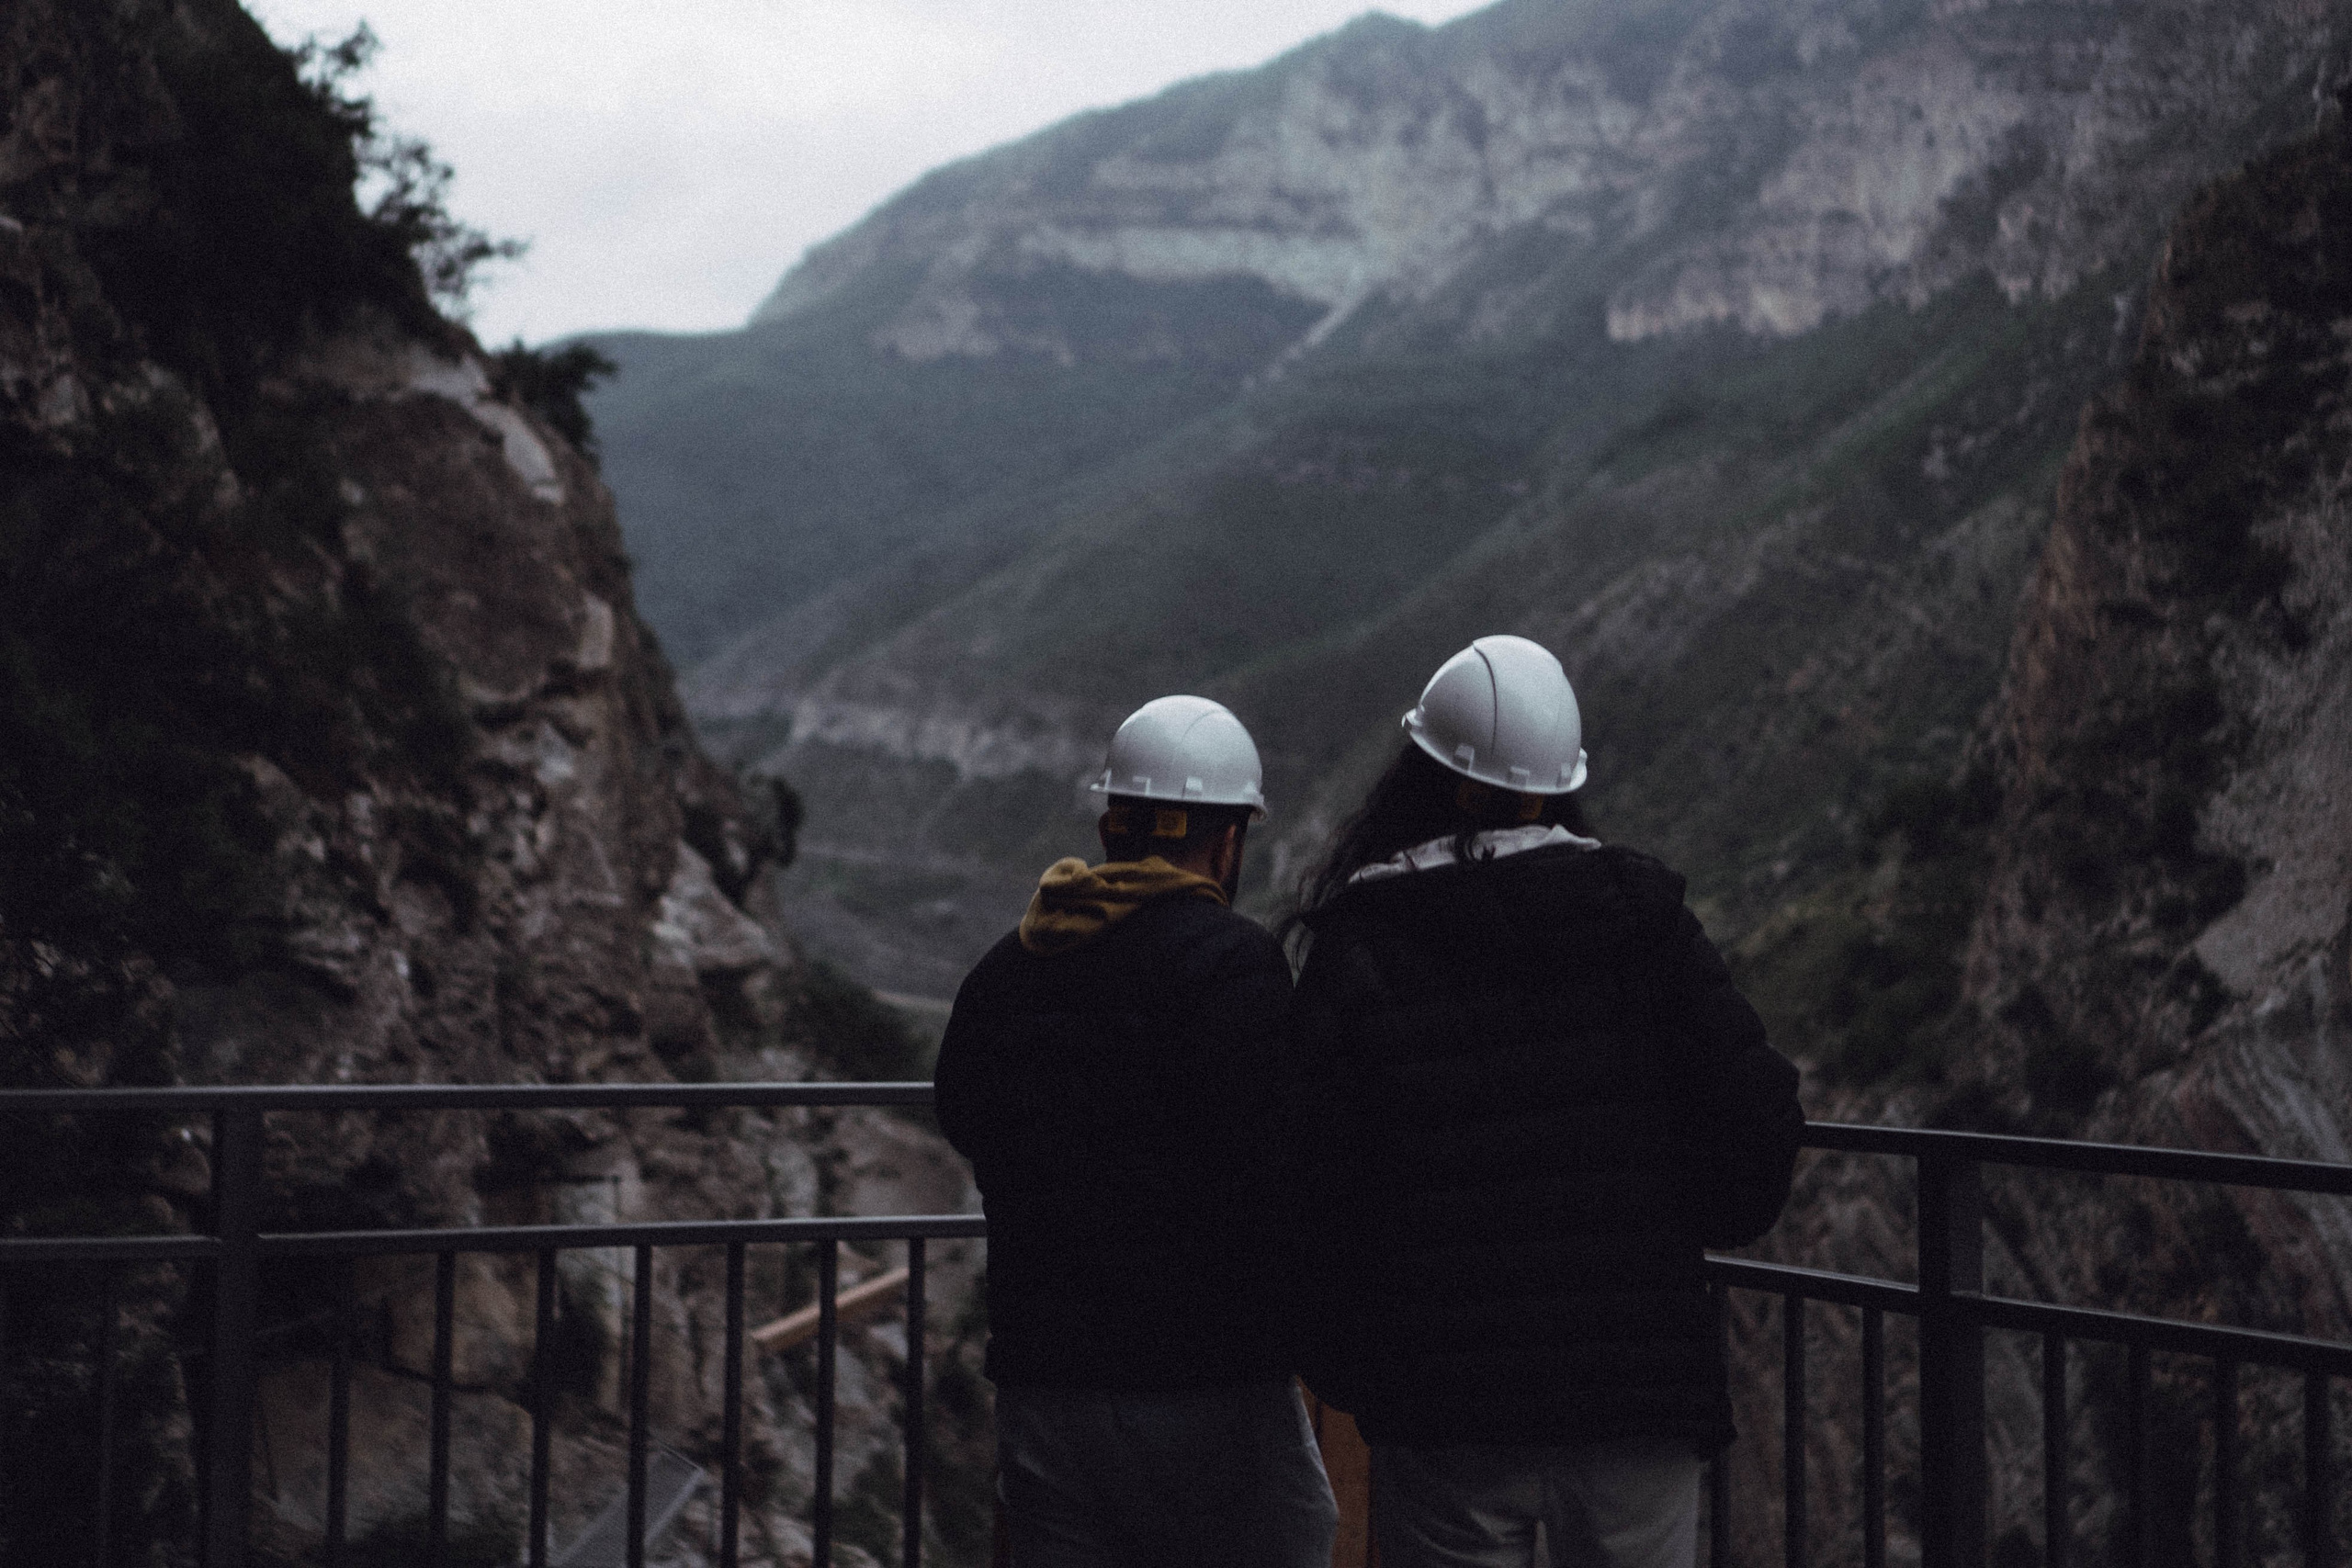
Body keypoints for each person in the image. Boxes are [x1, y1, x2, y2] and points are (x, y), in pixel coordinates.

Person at [1286, 635, 1804, 1568]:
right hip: (1635, 1398)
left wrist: (1360, 1372)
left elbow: (1311, 1184)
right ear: (1558, 781)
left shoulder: (1362, 941)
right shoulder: (1643, 918)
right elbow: (1752, 1116)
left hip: (1446, 1410)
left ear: (1421, 773)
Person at [933, 694, 1338, 1568]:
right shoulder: (1235, 964)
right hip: (1204, 1384)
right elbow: (1276, 1171)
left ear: (1112, 824)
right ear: (1229, 841)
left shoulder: (1009, 967)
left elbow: (963, 1113)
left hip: (1045, 1384)